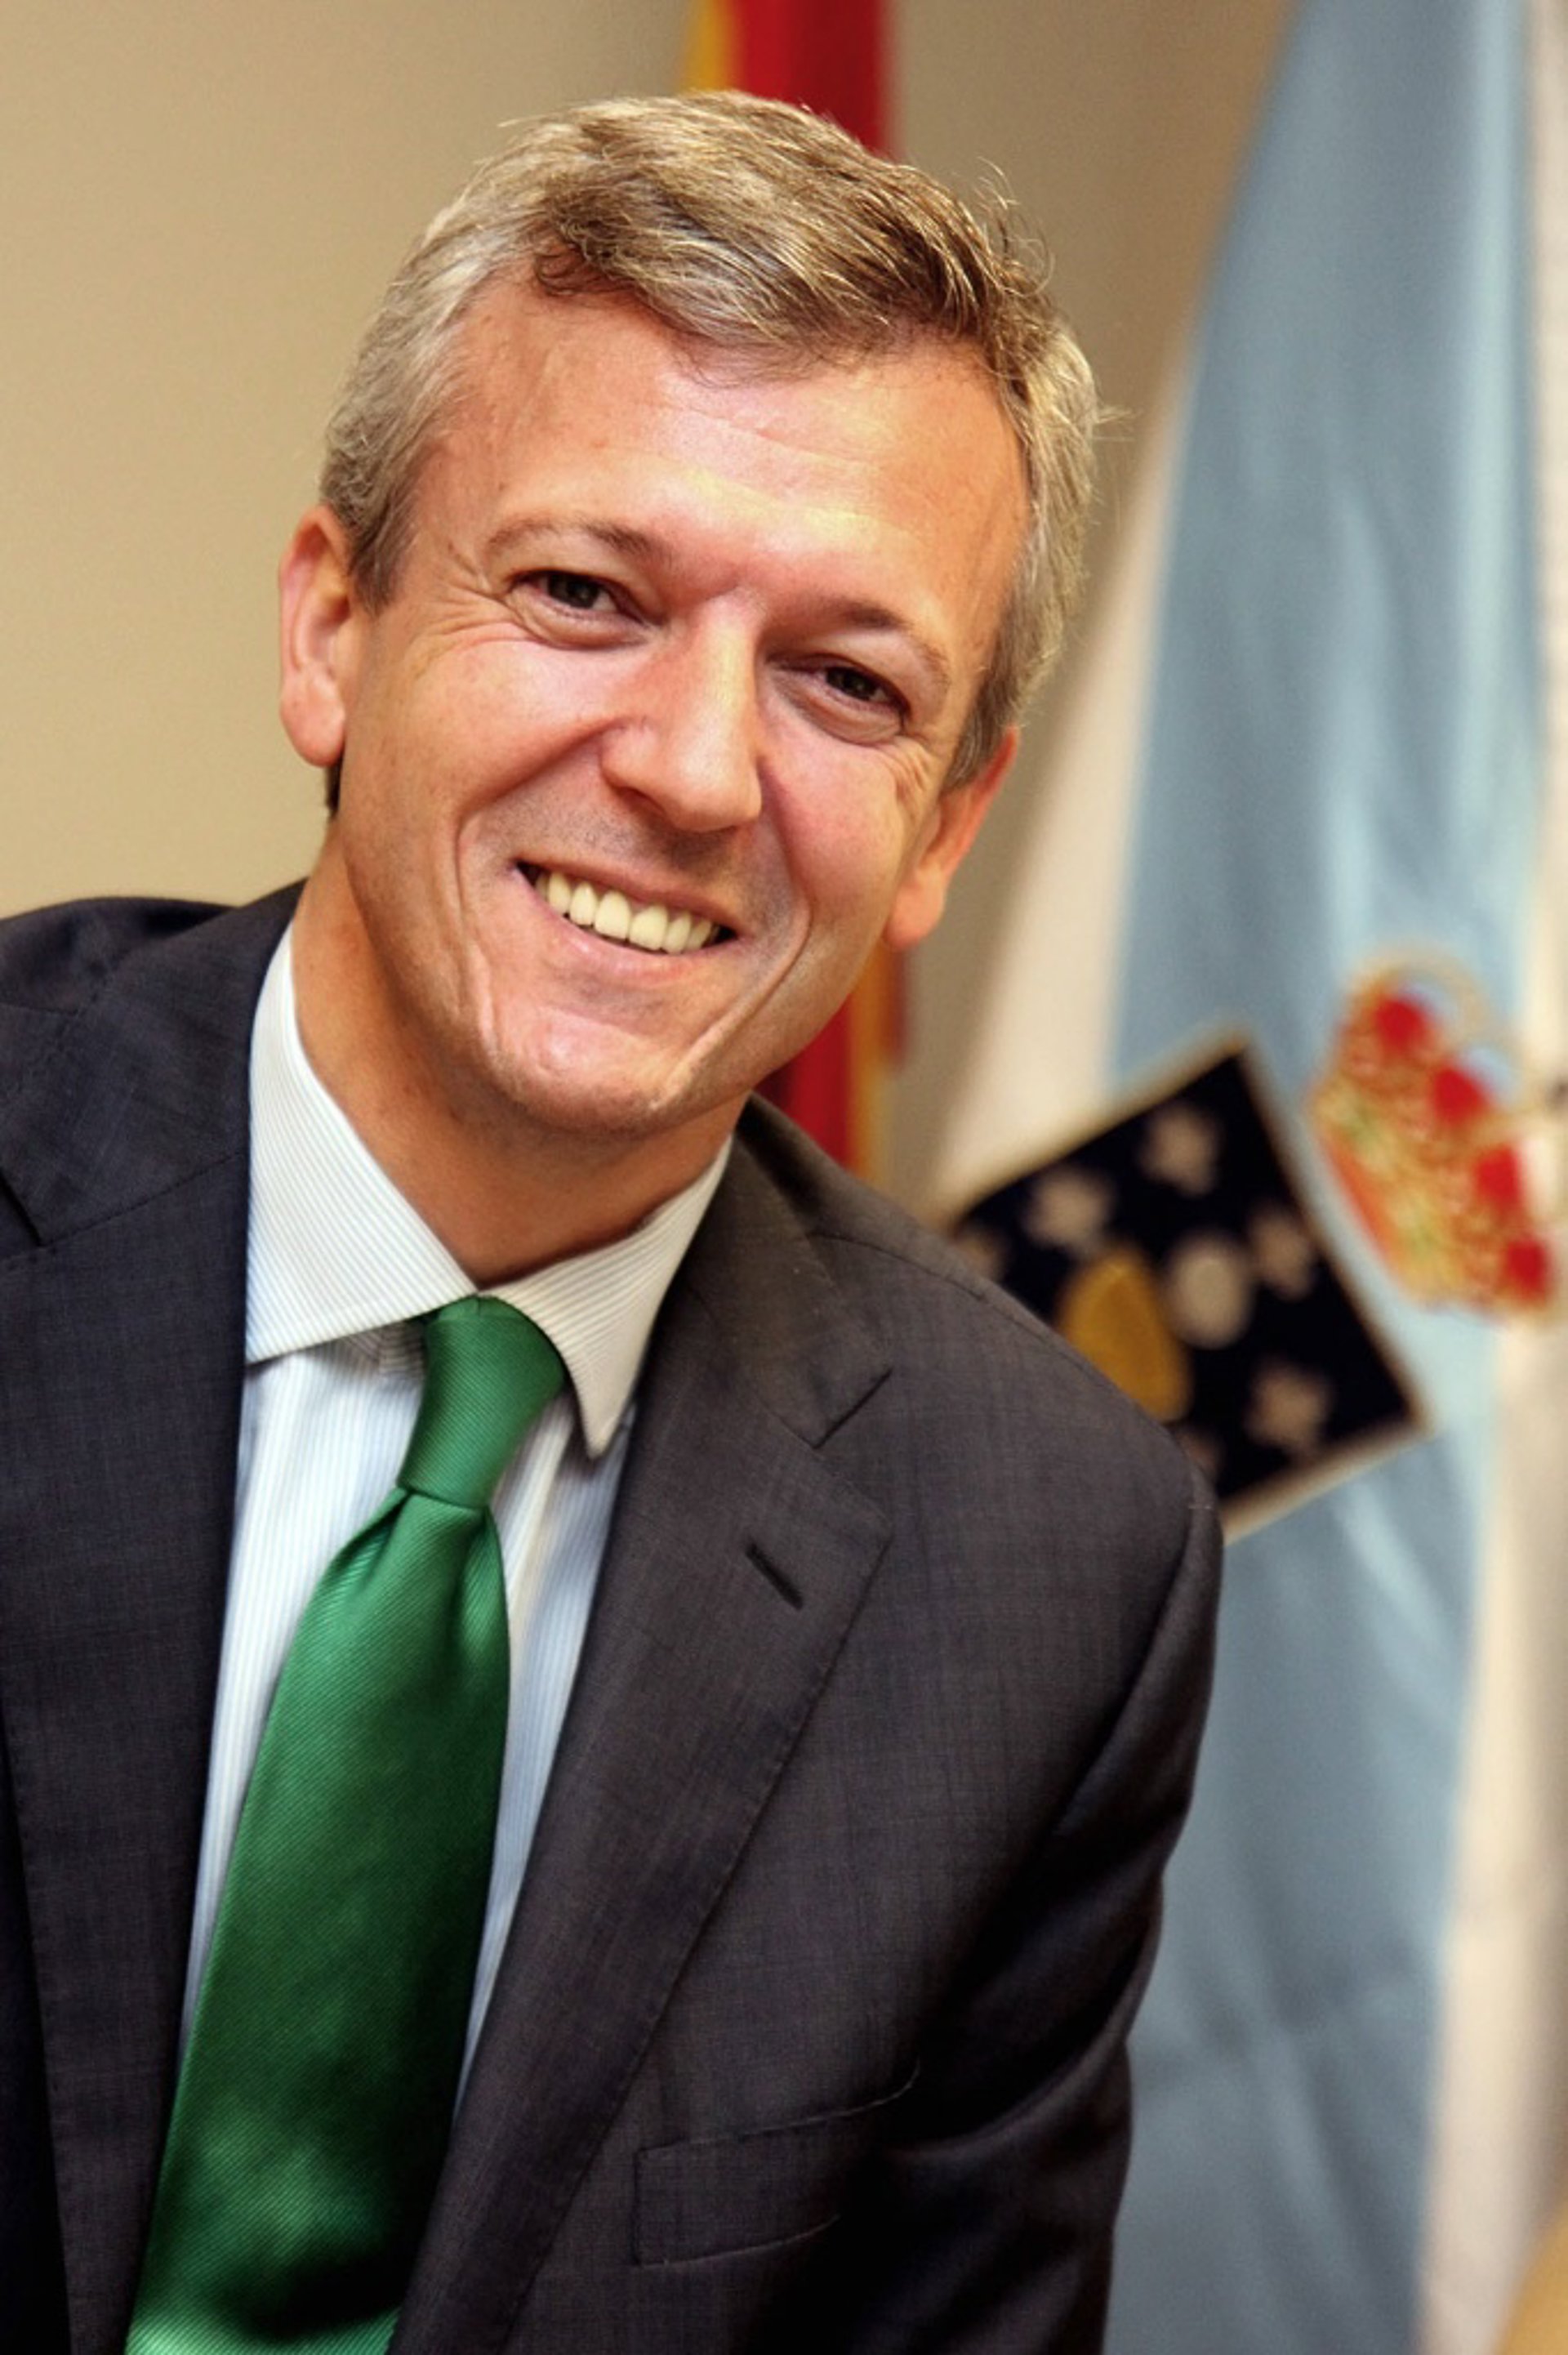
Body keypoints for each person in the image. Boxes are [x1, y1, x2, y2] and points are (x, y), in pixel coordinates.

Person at [0, 91, 1219, 2354]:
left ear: (947, 830)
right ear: (332, 627)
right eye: (586, 595)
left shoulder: (1048, 1561)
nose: (691, 767)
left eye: (849, 681)